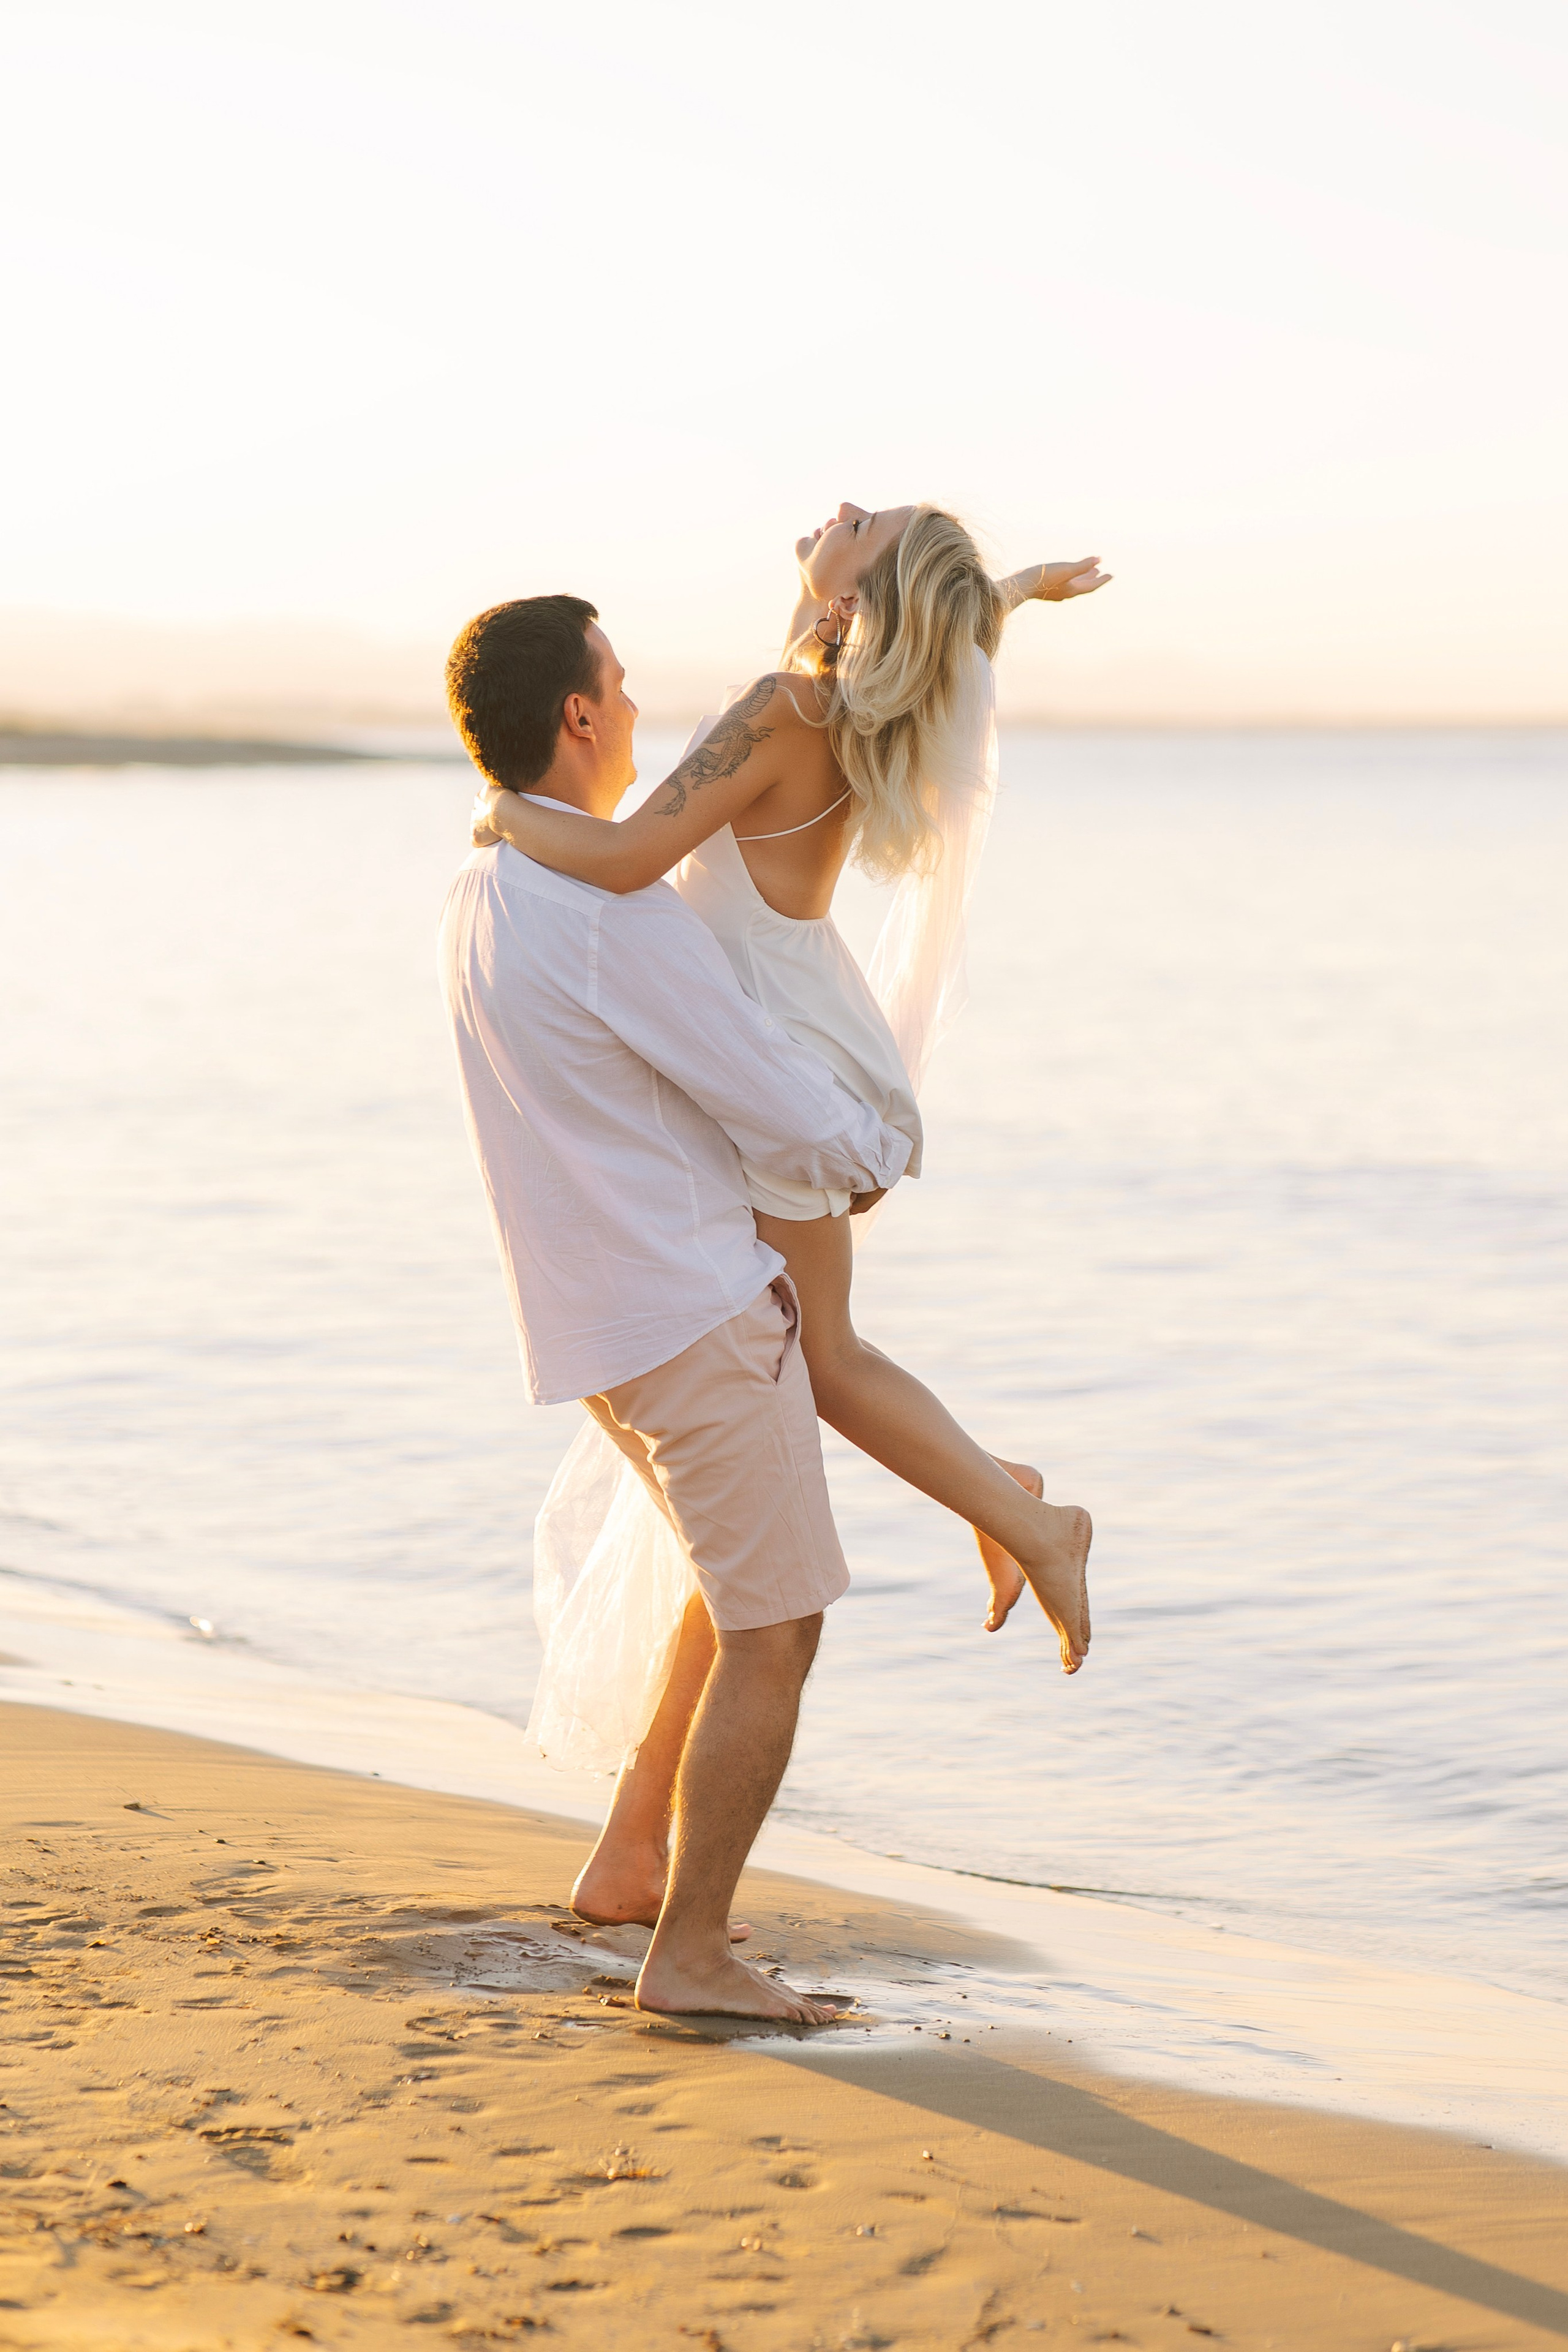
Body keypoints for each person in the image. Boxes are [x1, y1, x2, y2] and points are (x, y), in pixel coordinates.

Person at [474, 503, 1103, 1667]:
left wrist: (504, 810)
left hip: (781, 1050)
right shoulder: (832, 698)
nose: (844, 510)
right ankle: (1006, 1495)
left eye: (868, 524)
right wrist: (1010, 591)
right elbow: (931, 632)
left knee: (824, 1362)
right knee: (823, 1356)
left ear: (854, 601)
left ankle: (1031, 1520)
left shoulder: (786, 707)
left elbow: (620, 858)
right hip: (797, 1024)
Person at [439, 593, 913, 2023]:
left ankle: (630, 1867)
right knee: (779, 1624)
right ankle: (692, 1953)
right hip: (690, 1313)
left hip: (596, 1323)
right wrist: (869, 1154)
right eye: (624, 686)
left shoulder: (486, 884)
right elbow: (765, 1089)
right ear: (579, 716)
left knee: (730, 1592)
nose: (642, 710)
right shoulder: (606, 909)